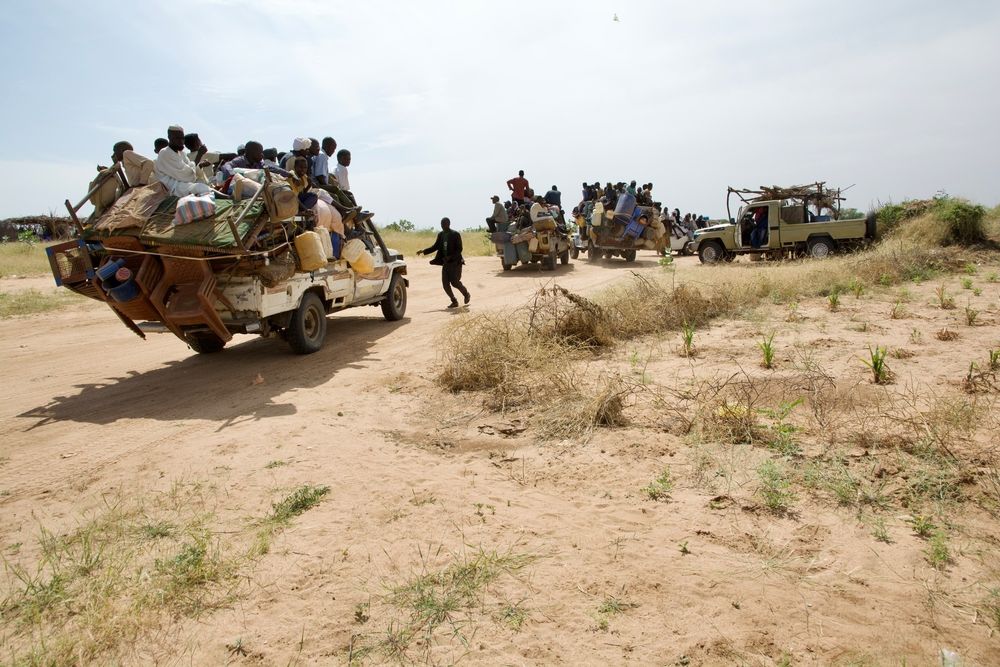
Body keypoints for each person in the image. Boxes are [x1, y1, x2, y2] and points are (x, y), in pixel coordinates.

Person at [417, 217, 470, 308]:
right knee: (445, 284)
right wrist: (423, 251)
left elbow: (459, 249)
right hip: (445, 263)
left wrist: (450, 257)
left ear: (448, 224)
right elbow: (435, 247)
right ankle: (454, 301)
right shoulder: (441, 235)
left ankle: (466, 294)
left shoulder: (455, 234)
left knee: (455, 282)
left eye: (444, 224)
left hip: (455, 262)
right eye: (441, 224)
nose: (442, 226)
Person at [153, 125, 213, 196]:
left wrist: (199, 165)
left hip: (181, 183)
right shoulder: (165, 153)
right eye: (177, 138)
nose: (181, 141)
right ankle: (226, 197)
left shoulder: (182, 153)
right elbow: (185, 175)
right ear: (170, 137)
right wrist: (199, 155)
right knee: (199, 187)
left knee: (202, 182)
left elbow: (190, 168)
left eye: (182, 138)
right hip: (171, 187)